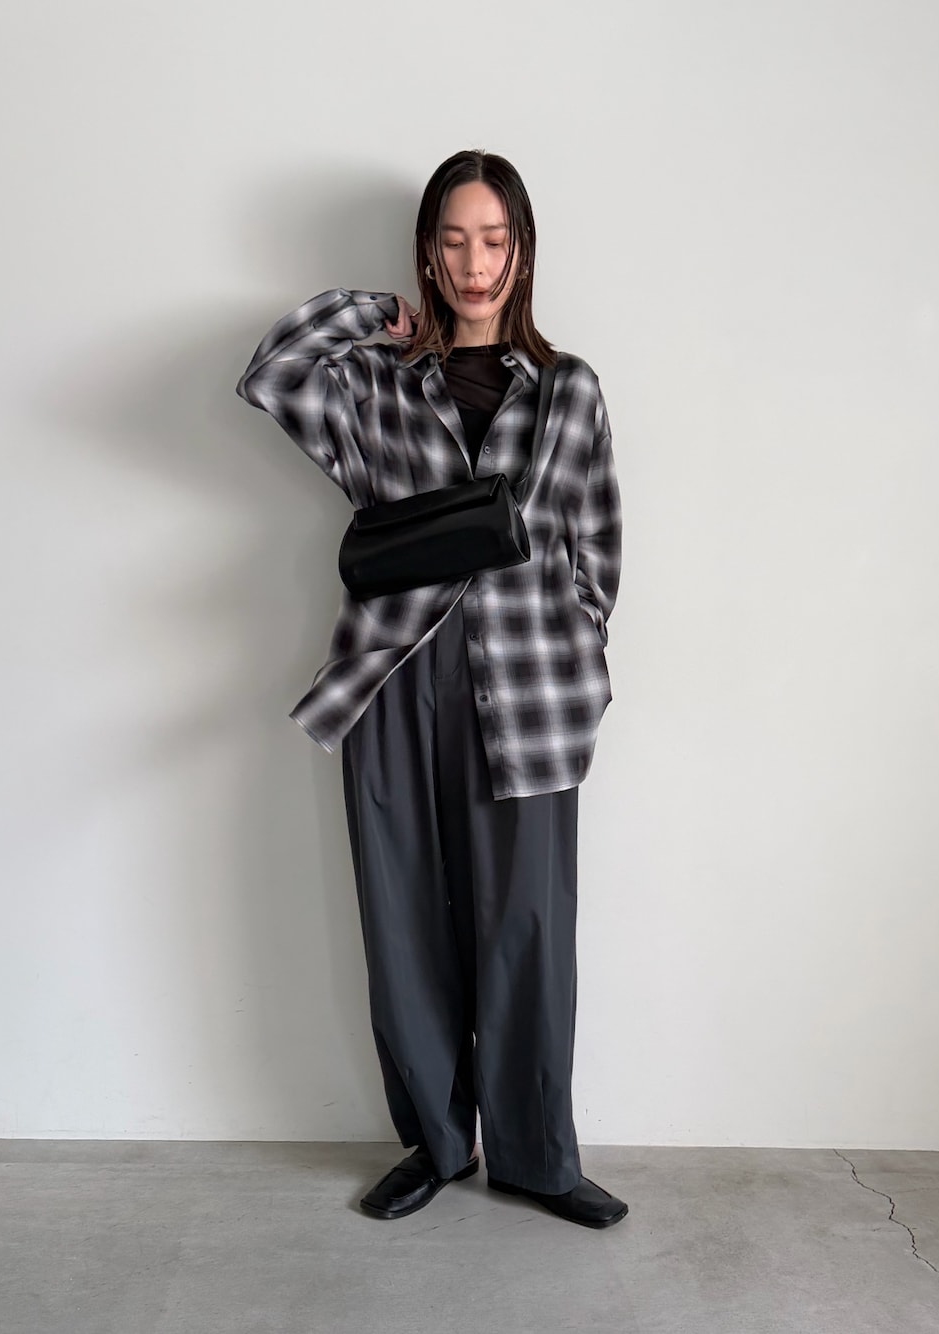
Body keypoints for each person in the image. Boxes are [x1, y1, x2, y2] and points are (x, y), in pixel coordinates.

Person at [236, 149, 625, 1229]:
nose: (474, 262)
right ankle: (437, 1145)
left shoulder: (571, 391)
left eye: (494, 240)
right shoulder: (373, 386)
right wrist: (374, 315)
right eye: (453, 240)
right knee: (404, 914)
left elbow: (596, 544)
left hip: (530, 688)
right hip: (396, 678)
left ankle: (537, 1156)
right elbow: (270, 374)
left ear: (523, 251)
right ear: (427, 253)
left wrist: (579, 653)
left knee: (528, 923)